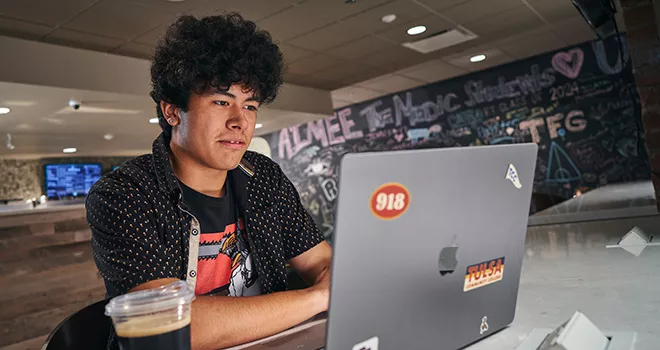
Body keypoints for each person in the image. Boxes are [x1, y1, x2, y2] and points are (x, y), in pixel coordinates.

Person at [86, 13, 332, 350]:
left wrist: (328, 282)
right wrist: (317, 297)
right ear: (172, 111)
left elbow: (322, 263)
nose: (239, 121)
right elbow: (167, 329)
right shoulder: (125, 194)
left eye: (250, 106)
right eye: (221, 102)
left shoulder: (264, 177)